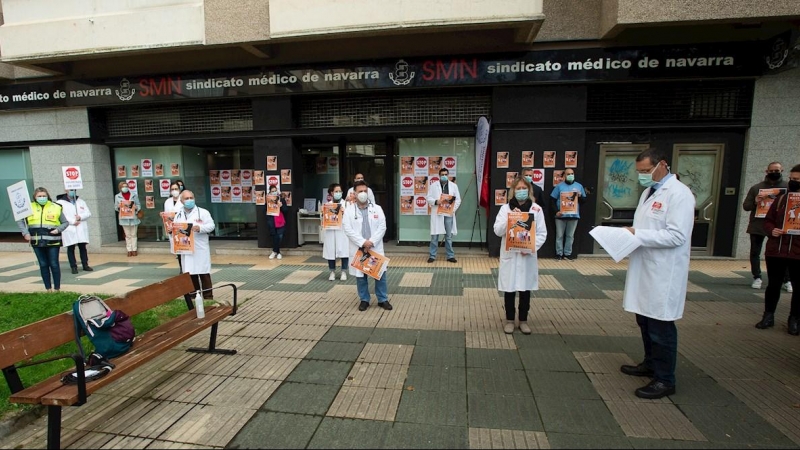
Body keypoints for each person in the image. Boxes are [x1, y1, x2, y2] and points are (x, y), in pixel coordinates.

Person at [620, 148, 695, 399]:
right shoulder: (648, 192)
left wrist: (637, 234)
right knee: (644, 320)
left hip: (664, 272)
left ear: (662, 164)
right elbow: (646, 227)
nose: (642, 175)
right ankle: (650, 364)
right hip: (645, 267)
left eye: (646, 170)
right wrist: (631, 232)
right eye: (639, 171)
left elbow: (677, 235)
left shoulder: (679, 194)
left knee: (660, 326)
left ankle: (665, 379)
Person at [493, 177, 547, 334]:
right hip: (510, 255)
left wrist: (531, 247)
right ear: (513, 191)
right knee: (509, 289)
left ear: (529, 190)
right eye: (518, 188)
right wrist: (510, 221)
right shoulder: (506, 209)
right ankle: (509, 320)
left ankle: (523, 320)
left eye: (524, 188)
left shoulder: (536, 210)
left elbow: (542, 233)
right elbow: (497, 230)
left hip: (526, 256)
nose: (521, 191)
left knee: (525, 290)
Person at [756, 163, 800, 335]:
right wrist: (771, 230)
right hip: (777, 249)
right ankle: (768, 315)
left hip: (797, 252)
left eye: (797, 180)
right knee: (773, 285)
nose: (793, 182)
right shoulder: (782, 199)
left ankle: (794, 318)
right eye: (791, 179)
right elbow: (768, 220)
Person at [342, 180, 391, 312]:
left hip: (374, 247)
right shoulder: (349, 211)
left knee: (379, 274)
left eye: (365, 191)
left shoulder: (377, 208)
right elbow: (347, 229)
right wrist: (363, 242)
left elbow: (382, 227)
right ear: (355, 193)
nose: (363, 193)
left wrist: (371, 241)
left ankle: (382, 299)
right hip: (360, 248)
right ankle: (364, 300)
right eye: (360, 191)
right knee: (361, 276)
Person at [743, 162, 792, 293]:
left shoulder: (787, 187)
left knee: (783, 253)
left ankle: (786, 279)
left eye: (777, 170)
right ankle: (757, 277)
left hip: (778, 226)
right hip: (758, 225)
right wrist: (755, 201)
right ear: (766, 171)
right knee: (755, 252)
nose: (774, 173)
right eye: (771, 170)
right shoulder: (756, 188)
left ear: (782, 170)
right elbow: (746, 206)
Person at [18, 187, 69, 292]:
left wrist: (58, 229)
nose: (42, 198)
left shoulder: (56, 207)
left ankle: (57, 289)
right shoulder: (28, 207)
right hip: (36, 241)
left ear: (48, 196)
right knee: (43, 264)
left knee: (54, 264)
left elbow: (65, 222)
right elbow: (20, 220)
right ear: (35, 197)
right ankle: (48, 288)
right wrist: (25, 232)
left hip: (53, 240)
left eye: (44, 196)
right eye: (39, 196)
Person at [174, 190, 216, 301]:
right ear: (182, 201)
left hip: (199, 247)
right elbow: (175, 229)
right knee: (190, 273)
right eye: (186, 198)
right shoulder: (178, 214)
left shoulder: (203, 212)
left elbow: (211, 226)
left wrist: (200, 228)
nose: (189, 200)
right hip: (185, 248)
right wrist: (170, 230)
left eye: (191, 198)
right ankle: (193, 297)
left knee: (203, 273)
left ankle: (208, 298)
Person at [426, 168, 462, 263]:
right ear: (439, 176)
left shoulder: (454, 186)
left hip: (448, 214)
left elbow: (458, 200)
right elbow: (428, 198)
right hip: (437, 213)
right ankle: (432, 256)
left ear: (448, 175)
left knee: (448, 236)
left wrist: (452, 210)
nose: (444, 176)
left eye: (446, 174)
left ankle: (450, 256)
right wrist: (436, 201)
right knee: (434, 236)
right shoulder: (434, 186)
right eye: (442, 174)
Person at [550, 168, 586, 260]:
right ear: (564, 176)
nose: (570, 175)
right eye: (568, 174)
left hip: (573, 216)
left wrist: (580, 196)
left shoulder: (579, 186)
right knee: (559, 236)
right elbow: (552, 200)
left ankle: (567, 254)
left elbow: (584, 201)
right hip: (561, 215)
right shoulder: (559, 186)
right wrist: (556, 212)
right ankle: (559, 254)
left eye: (572, 173)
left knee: (570, 236)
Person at [56, 189, 93, 274]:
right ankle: (73, 266)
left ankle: (85, 264)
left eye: (74, 190)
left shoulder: (81, 201)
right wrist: (72, 221)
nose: (72, 191)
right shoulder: (60, 202)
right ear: (66, 190)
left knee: (82, 247)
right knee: (71, 247)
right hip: (69, 227)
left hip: (80, 226)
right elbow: (60, 215)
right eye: (70, 190)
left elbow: (88, 213)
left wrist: (80, 217)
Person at [323, 183, 349, 281]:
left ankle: (343, 272)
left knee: (344, 251)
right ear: (331, 193)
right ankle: (332, 272)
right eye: (336, 191)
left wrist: (344, 212)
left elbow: (350, 218)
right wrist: (324, 213)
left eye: (340, 191)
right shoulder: (327, 205)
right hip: (331, 230)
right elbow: (323, 219)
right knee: (331, 251)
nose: (338, 193)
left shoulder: (345, 204)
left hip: (342, 231)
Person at [114, 181, 141, 257]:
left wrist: (136, 208)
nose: (125, 188)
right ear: (120, 188)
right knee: (128, 235)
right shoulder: (117, 196)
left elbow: (138, 204)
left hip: (133, 217)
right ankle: (129, 250)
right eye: (123, 186)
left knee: (133, 234)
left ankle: (134, 249)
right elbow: (115, 207)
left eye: (126, 186)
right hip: (124, 218)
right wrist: (119, 206)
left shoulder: (134, 195)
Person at [266, 186, 289, 260]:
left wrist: (281, 206)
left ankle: (274, 251)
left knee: (280, 236)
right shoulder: (268, 200)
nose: (274, 192)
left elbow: (286, 210)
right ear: (270, 192)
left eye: (275, 191)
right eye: (272, 191)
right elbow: (264, 210)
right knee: (274, 237)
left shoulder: (281, 199)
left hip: (280, 221)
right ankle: (277, 252)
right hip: (272, 221)